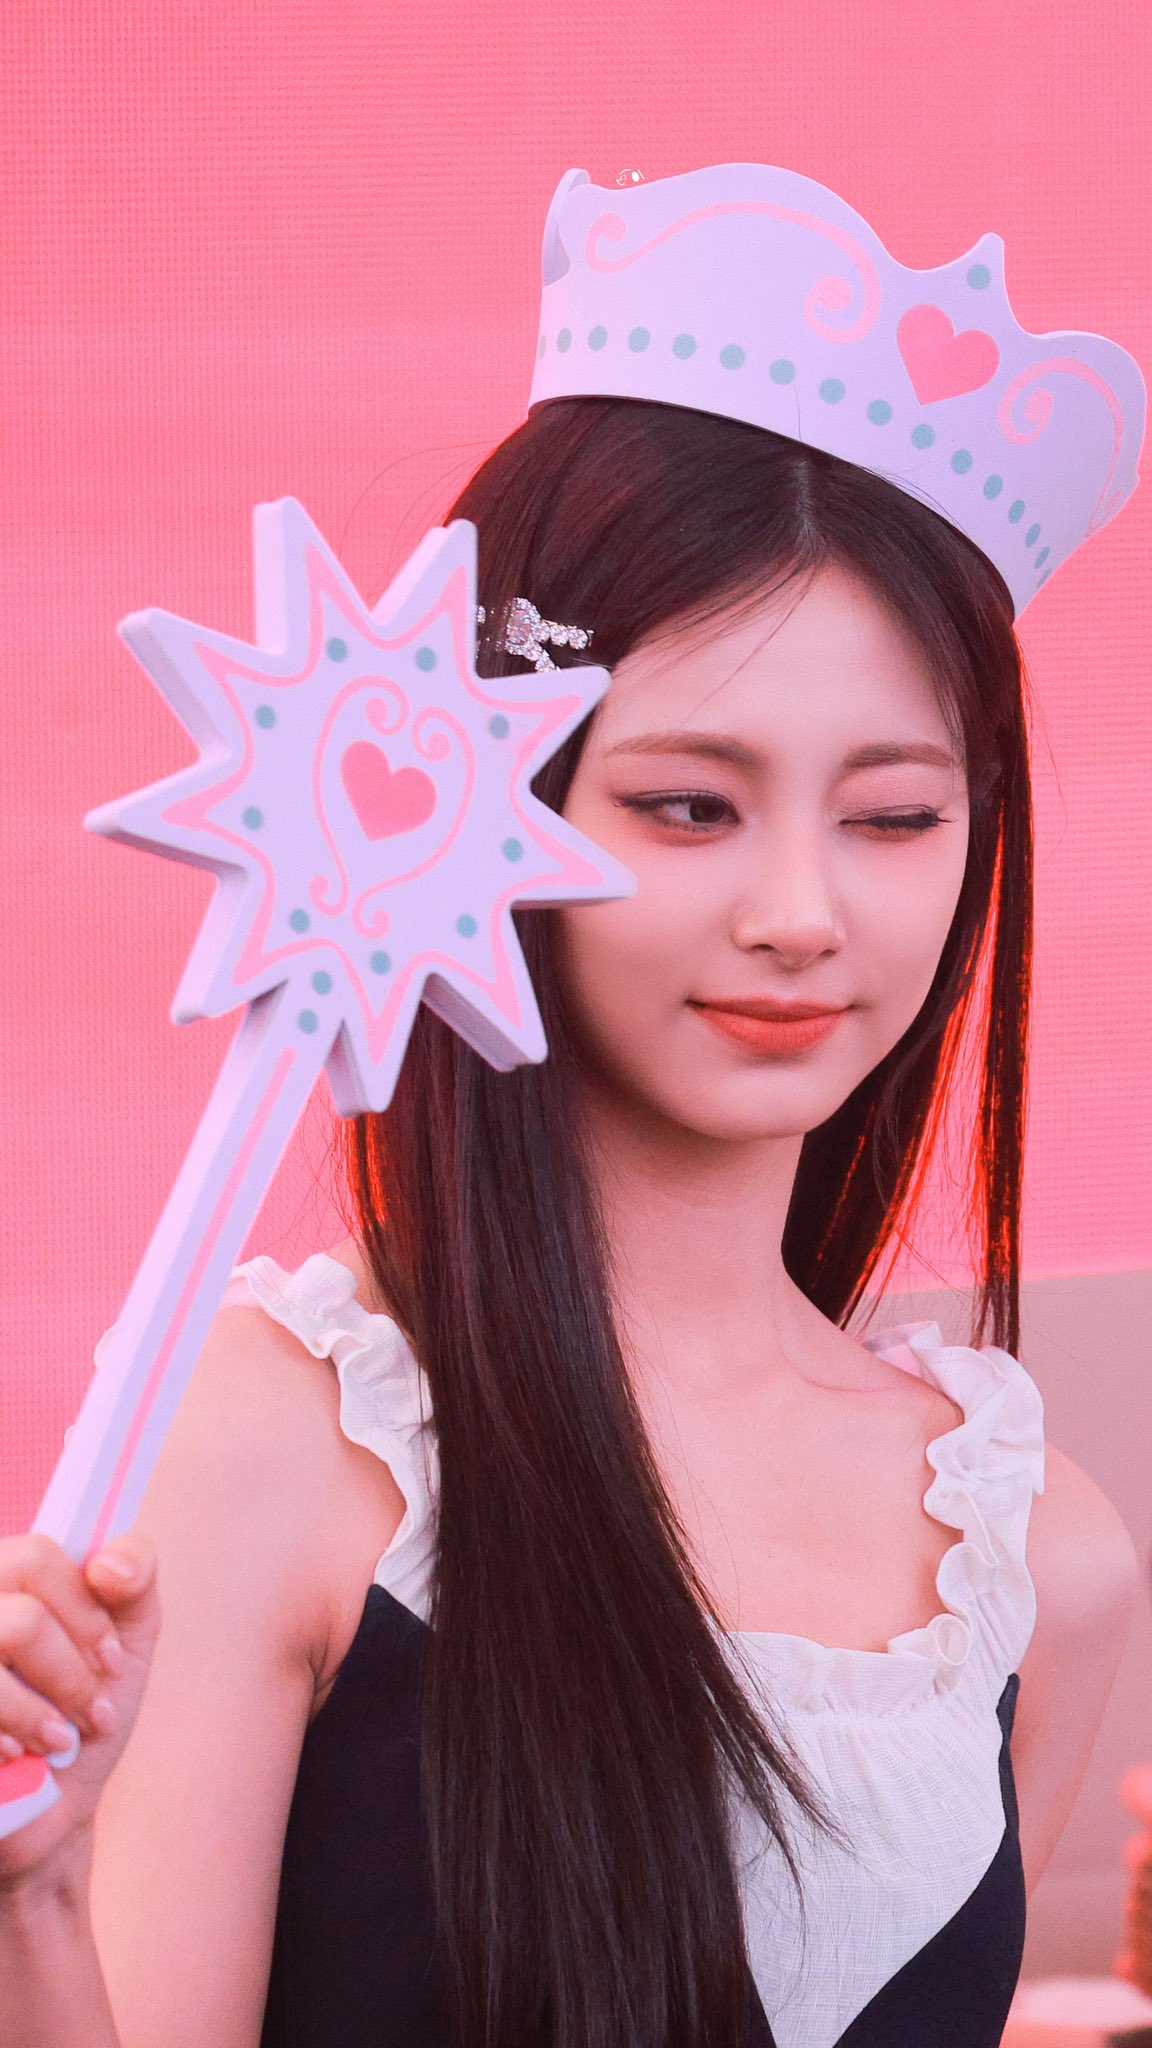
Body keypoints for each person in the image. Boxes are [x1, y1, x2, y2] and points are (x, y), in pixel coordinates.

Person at [0, 164, 1144, 2048]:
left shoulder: (1041, 1562)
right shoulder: (291, 1446)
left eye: (894, 816)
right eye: (689, 805)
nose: (801, 913)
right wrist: (36, 1900)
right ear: (492, 803)